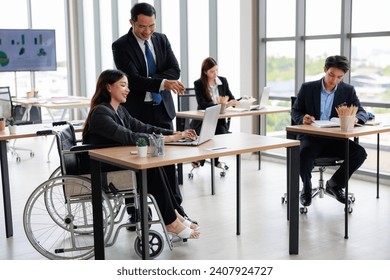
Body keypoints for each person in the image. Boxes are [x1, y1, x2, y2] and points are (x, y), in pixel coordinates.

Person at [82, 69, 200, 239]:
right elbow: (129, 136)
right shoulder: (100, 113)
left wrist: (176, 134)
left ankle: (175, 216)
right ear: (108, 87)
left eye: (127, 86)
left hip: (112, 162)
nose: (127, 90)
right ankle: (172, 222)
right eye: (123, 85)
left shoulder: (119, 111)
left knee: (155, 166)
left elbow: (144, 128)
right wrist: (166, 139)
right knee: (150, 169)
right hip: (100, 168)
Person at [112, 2, 187, 220]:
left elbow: (176, 69)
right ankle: (136, 212)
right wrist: (163, 81)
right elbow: (132, 80)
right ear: (132, 22)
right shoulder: (121, 46)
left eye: (151, 26)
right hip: (137, 113)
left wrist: (157, 81)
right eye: (142, 26)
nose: (147, 31)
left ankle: (176, 213)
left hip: (162, 109)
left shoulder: (161, 39)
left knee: (167, 163)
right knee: (137, 162)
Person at [291, 55, 368, 207]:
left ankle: (335, 184)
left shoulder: (348, 90)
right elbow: (295, 111)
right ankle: (306, 188)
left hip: (335, 139)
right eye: (331, 75)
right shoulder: (308, 88)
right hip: (312, 137)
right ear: (325, 70)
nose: (334, 81)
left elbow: (362, 112)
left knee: (359, 153)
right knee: (303, 154)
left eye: (339, 77)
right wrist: (302, 118)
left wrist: (356, 119)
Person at [191, 57, 238, 169]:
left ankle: (211, 160)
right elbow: (202, 104)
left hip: (220, 121)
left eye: (216, 70)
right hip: (203, 120)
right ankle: (209, 160)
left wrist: (232, 102)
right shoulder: (199, 83)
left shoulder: (223, 81)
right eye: (212, 71)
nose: (215, 73)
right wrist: (220, 106)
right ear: (205, 72)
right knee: (208, 133)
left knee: (220, 132)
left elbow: (230, 97)